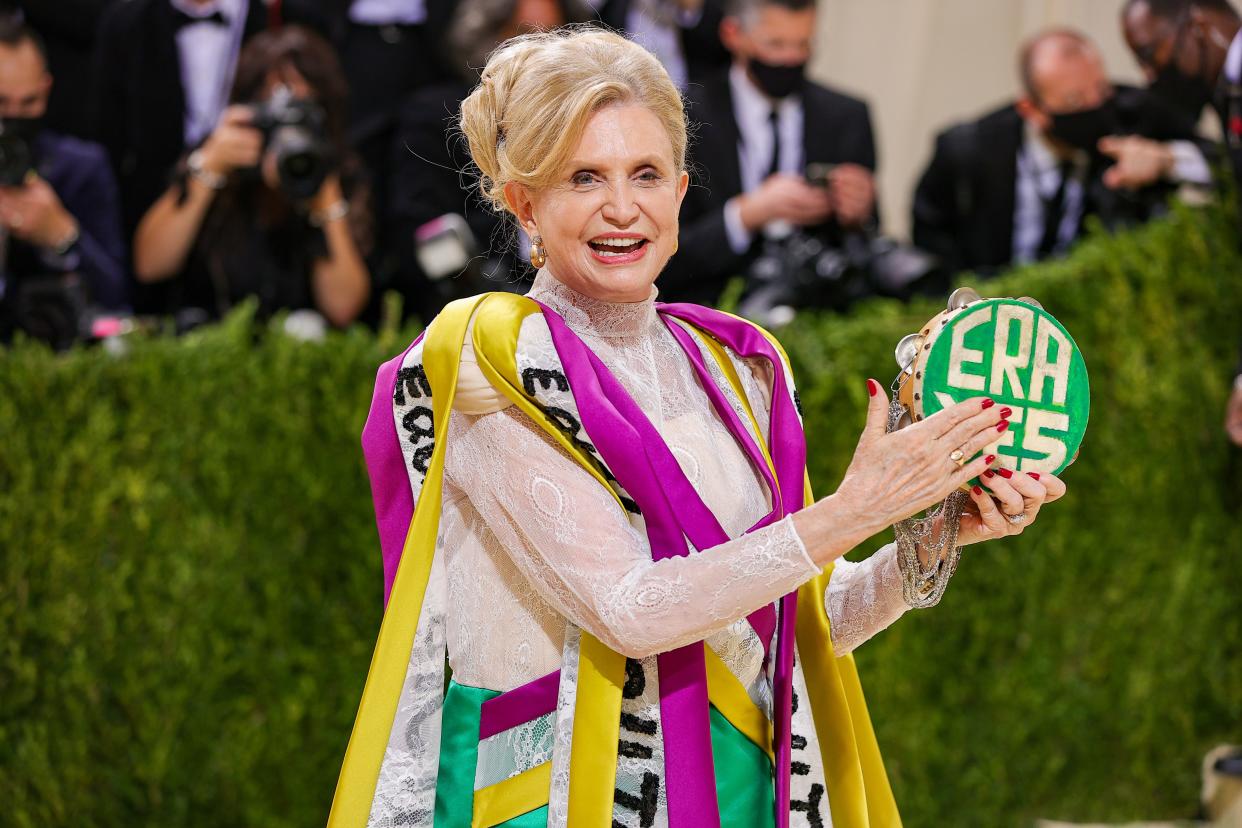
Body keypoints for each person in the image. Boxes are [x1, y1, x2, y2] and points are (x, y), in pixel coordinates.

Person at [328, 28, 1067, 827]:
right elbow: (631, 610)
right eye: (584, 177)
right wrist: (854, 510)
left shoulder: (735, 366)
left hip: (737, 788)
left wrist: (935, 526)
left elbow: (796, 625)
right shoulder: (492, 361)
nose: (622, 207)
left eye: (645, 174)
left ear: (681, 192)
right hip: (550, 797)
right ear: (524, 203)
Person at [912, 28, 1211, 277]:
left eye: (1101, 90)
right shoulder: (970, 149)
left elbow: (1222, 161)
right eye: (1075, 101)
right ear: (1032, 110)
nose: (1096, 106)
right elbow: (930, 234)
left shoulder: (1133, 115)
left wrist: (1167, 161)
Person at [130, 25, 371, 327]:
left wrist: (324, 198)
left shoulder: (343, 173)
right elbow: (151, 266)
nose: (288, 129)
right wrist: (208, 169)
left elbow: (343, 308)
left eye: (302, 110)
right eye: (276, 110)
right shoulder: (215, 157)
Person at [660, 0, 879, 309]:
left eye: (803, 44)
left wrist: (859, 209)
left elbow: (869, 240)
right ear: (733, 34)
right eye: (775, 44)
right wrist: (747, 215)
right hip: (710, 311)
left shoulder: (846, 117)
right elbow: (663, 251)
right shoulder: (686, 115)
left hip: (816, 314)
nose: (790, 58)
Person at [387, 0, 593, 321]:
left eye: (555, 38)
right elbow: (419, 237)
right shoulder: (437, 119)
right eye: (526, 37)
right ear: (488, 39)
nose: (543, 55)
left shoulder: (590, 124)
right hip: (470, 313)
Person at [0, 17, 126, 342]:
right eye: (0, 102)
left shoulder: (81, 167)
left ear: (46, 89)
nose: (13, 117)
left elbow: (117, 297)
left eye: (29, 102)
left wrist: (63, 236)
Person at [594, 0, 730, 90]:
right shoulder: (614, 9)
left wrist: (691, 7)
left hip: (690, 98)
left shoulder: (709, 11)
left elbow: (717, 46)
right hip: (628, 91)